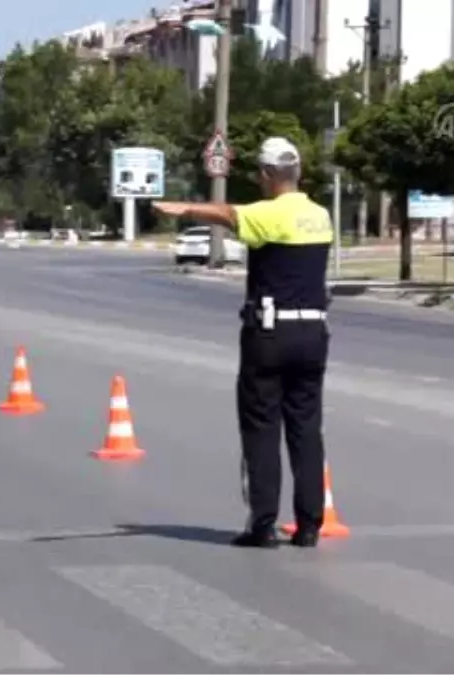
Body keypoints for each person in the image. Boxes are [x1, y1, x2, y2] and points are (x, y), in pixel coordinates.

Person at [152, 137, 333, 549]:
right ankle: (309, 526)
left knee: (262, 427)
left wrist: (186, 208)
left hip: (270, 335)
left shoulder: (270, 215)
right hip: (313, 334)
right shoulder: (320, 216)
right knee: (306, 429)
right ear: (299, 173)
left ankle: (263, 525)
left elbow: (229, 215)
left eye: (259, 174)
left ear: (268, 175)